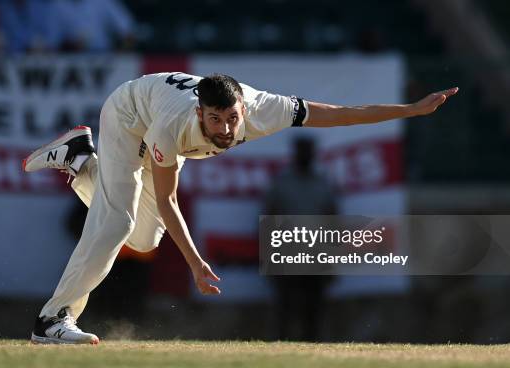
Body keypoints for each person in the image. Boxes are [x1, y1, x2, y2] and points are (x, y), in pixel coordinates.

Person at [23, 72, 458, 344]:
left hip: (151, 108)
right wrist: (195, 264)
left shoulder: (264, 109)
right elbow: (170, 200)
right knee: (116, 221)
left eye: (232, 118)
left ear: (243, 108)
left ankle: (81, 161)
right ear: (200, 113)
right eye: (215, 120)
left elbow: (342, 114)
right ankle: (53, 320)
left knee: (143, 236)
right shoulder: (172, 127)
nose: (226, 129)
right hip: (128, 115)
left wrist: (410, 111)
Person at [264, 137, 336, 341]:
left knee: (314, 311)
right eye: (302, 150)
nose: (305, 155)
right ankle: (278, 351)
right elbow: (269, 218)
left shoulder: (323, 183)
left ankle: (313, 352)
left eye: (308, 150)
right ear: (295, 153)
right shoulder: (282, 183)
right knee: (284, 308)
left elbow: (332, 220)